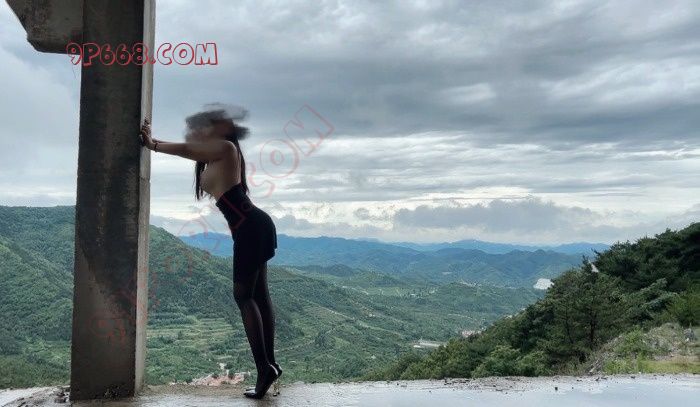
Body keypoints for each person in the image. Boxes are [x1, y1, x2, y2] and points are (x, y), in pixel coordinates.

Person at [139, 104, 281, 399]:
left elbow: (185, 149)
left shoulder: (227, 148)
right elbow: (193, 151)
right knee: (258, 296)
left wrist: (153, 144)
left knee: (244, 297)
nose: (199, 132)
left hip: (251, 228)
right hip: (252, 227)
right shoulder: (216, 156)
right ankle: (270, 365)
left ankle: (264, 368)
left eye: (207, 127)